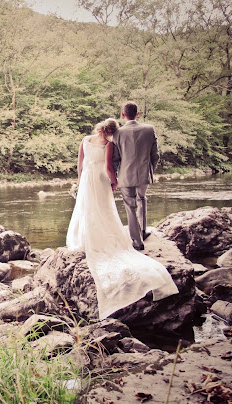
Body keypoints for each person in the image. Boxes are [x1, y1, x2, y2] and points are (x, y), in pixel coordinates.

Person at [66, 117, 178, 320]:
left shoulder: (85, 139)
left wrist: (80, 181)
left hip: (87, 180)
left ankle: (84, 238)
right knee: (104, 209)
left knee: (87, 209)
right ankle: (116, 238)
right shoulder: (109, 144)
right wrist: (115, 182)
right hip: (100, 180)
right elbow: (109, 168)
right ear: (111, 131)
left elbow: (80, 164)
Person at [112, 101, 159, 251]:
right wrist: (150, 171)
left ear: (123, 115)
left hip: (125, 175)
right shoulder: (149, 129)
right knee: (142, 199)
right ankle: (143, 231)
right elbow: (155, 155)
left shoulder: (117, 133)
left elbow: (115, 158)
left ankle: (137, 241)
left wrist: (113, 177)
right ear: (137, 114)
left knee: (130, 206)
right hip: (144, 173)